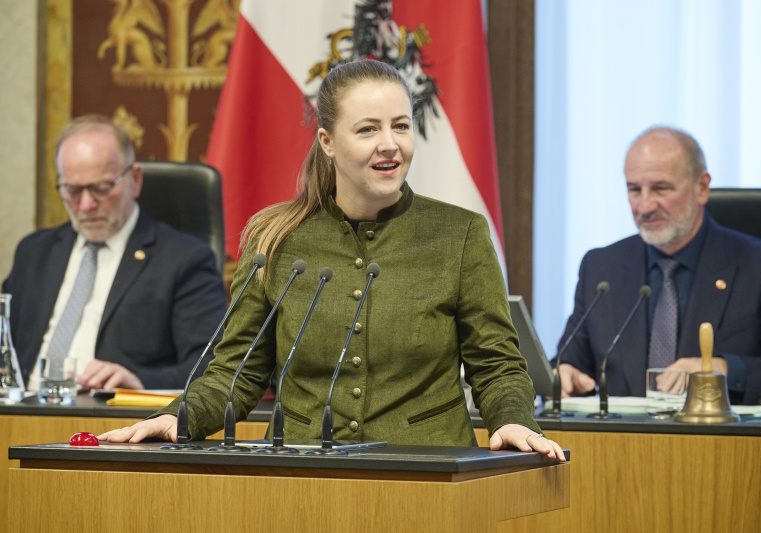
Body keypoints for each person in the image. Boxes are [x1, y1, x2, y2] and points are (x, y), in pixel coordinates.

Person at [100, 60, 565, 460]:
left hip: (428, 468)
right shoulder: (273, 235)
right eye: (368, 129)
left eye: (400, 125)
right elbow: (235, 371)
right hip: (302, 474)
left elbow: (497, 364)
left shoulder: (460, 234)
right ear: (327, 141)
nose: (391, 144)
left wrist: (514, 420)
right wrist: (176, 418)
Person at [555, 126, 761, 405]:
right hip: (620, 444)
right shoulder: (601, 267)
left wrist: (720, 369)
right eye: (634, 189)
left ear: (702, 187)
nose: (644, 206)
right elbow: (571, 361)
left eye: (661, 188)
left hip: (723, 443)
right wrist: (565, 375)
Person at [2, 115, 227, 390]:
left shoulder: (184, 259)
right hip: (22, 413)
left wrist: (139, 382)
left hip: (112, 421)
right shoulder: (34, 252)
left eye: (101, 188)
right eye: (72, 190)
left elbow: (212, 367)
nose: (85, 205)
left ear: (134, 179)